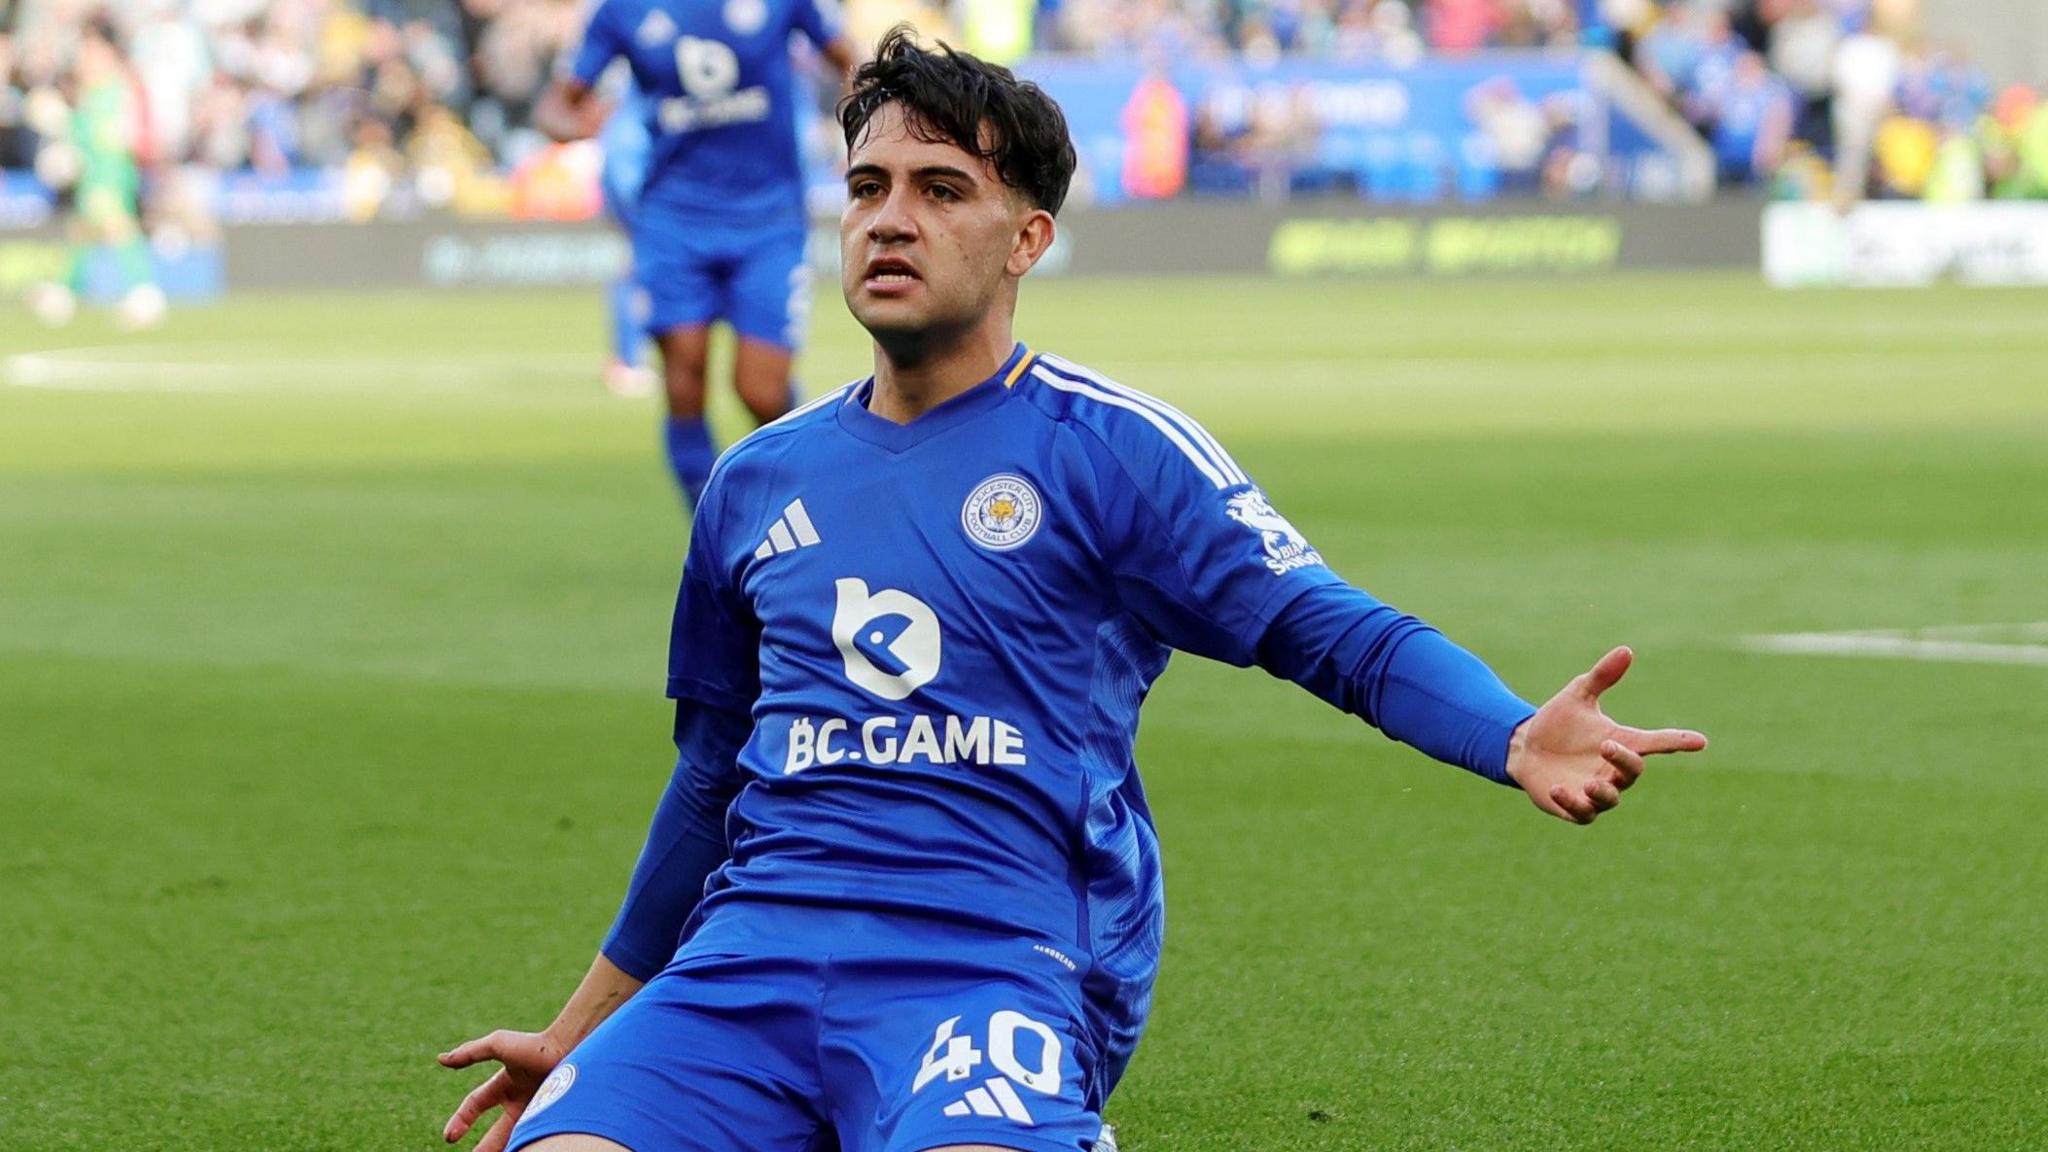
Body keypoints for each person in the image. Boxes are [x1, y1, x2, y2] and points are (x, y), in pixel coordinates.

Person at [440, 29, 1709, 1152]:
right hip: (745, 965)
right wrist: (576, 1034)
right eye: (868, 189)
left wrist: (1503, 731)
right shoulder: (757, 481)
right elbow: (711, 779)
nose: (891, 220)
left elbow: (1327, 632)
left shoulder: (1109, 450)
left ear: (1027, 238)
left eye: (943, 191)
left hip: (986, 962)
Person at [533, 0, 856, 507]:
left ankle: (811, 508)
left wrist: (866, 137)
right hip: (673, 222)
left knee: (761, 391)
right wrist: (579, 125)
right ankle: (714, 539)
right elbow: (555, 105)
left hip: (767, 218)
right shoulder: (622, 11)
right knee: (684, 386)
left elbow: (849, 62)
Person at [597, 77, 656, 398]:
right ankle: (627, 360)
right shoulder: (631, 121)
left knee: (635, 274)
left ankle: (628, 358)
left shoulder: (623, 121)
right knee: (635, 275)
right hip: (643, 210)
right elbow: (623, 177)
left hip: (638, 208)